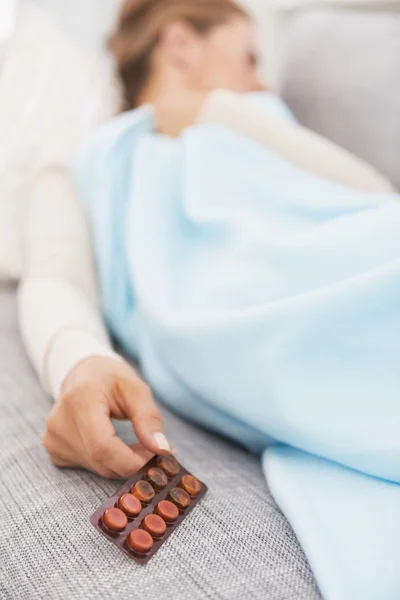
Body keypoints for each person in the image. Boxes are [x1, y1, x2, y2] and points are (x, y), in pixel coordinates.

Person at [12, 0, 393, 480]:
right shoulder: (87, 156)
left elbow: (375, 198)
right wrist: (79, 363)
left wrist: (215, 111)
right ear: (180, 43)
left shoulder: (248, 113)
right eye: (249, 59)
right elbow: (54, 275)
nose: (262, 83)